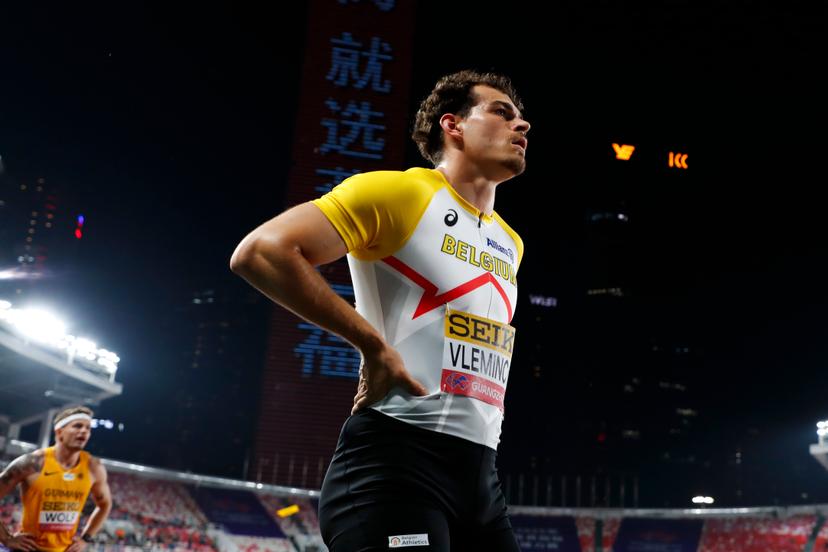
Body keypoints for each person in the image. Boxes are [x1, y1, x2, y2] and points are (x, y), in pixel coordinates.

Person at [231, 69, 530, 551]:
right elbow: (262, 251)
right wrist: (371, 344)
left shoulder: (510, 243)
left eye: (521, 118)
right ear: (452, 125)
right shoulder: (399, 193)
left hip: (480, 479)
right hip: (395, 465)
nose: (523, 127)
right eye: (502, 112)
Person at [0, 406, 112, 552]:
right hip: (29, 548)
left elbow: (105, 505)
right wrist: (6, 538)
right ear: (59, 432)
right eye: (77, 426)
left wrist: (86, 538)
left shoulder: (94, 467)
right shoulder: (32, 463)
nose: (84, 431)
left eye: (88, 428)